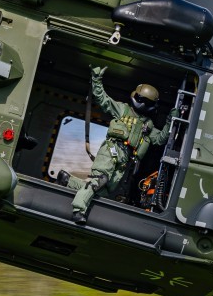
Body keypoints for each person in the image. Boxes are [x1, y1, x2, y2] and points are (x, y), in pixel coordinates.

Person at [64, 65, 165, 223]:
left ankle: (67, 181)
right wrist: (96, 80)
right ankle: (78, 210)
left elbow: (159, 139)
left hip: (125, 159)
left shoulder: (148, 125)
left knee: (104, 191)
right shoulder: (122, 110)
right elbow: (102, 99)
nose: (143, 104)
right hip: (111, 150)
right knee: (99, 180)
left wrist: (172, 121)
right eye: (141, 100)